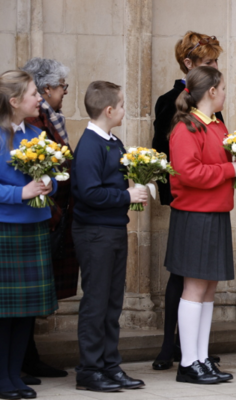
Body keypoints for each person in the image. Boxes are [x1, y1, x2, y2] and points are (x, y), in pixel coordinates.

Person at [166, 66, 236, 385]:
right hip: (195, 214)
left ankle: (202, 358)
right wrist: (231, 170)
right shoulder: (186, 128)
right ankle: (188, 362)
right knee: (194, 288)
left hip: (214, 212)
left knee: (208, 288)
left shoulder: (216, 124)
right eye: (224, 88)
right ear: (211, 91)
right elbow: (189, 173)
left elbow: (218, 163)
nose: (226, 93)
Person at [151, 32, 223, 371]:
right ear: (189, 65)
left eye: (215, 63)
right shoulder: (177, 107)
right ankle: (175, 350)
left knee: (203, 284)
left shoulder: (211, 113)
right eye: (209, 64)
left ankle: (197, 352)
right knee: (185, 280)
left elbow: (214, 145)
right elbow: (176, 157)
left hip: (211, 200)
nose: (215, 69)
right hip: (190, 200)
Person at [71, 81, 148, 392]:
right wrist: (126, 196)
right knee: (96, 302)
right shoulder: (90, 145)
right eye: (122, 104)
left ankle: (110, 365)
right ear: (109, 110)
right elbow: (88, 193)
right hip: (94, 233)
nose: (124, 110)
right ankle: (89, 371)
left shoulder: (113, 142)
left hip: (113, 229)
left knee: (113, 303)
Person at [0, 70, 58, 400]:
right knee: (3, 311)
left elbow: (56, 174)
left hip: (34, 226)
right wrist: (19, 194)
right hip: (6, 228)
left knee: (25, 310)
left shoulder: (37, 134)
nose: (40, 98)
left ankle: (13, 374)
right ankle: (2, 376)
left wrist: (52, 183)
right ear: (14, 101)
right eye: (34, 93)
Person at [20, 57, 77, 381]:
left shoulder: (50, 118)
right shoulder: (33, 123)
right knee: (22, 295)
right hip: (37, 214)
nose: (64, 92)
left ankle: (29, 357)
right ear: (43, 89)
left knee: (34, 295)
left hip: (52, 212)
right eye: (61, 87)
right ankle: (20, 362)